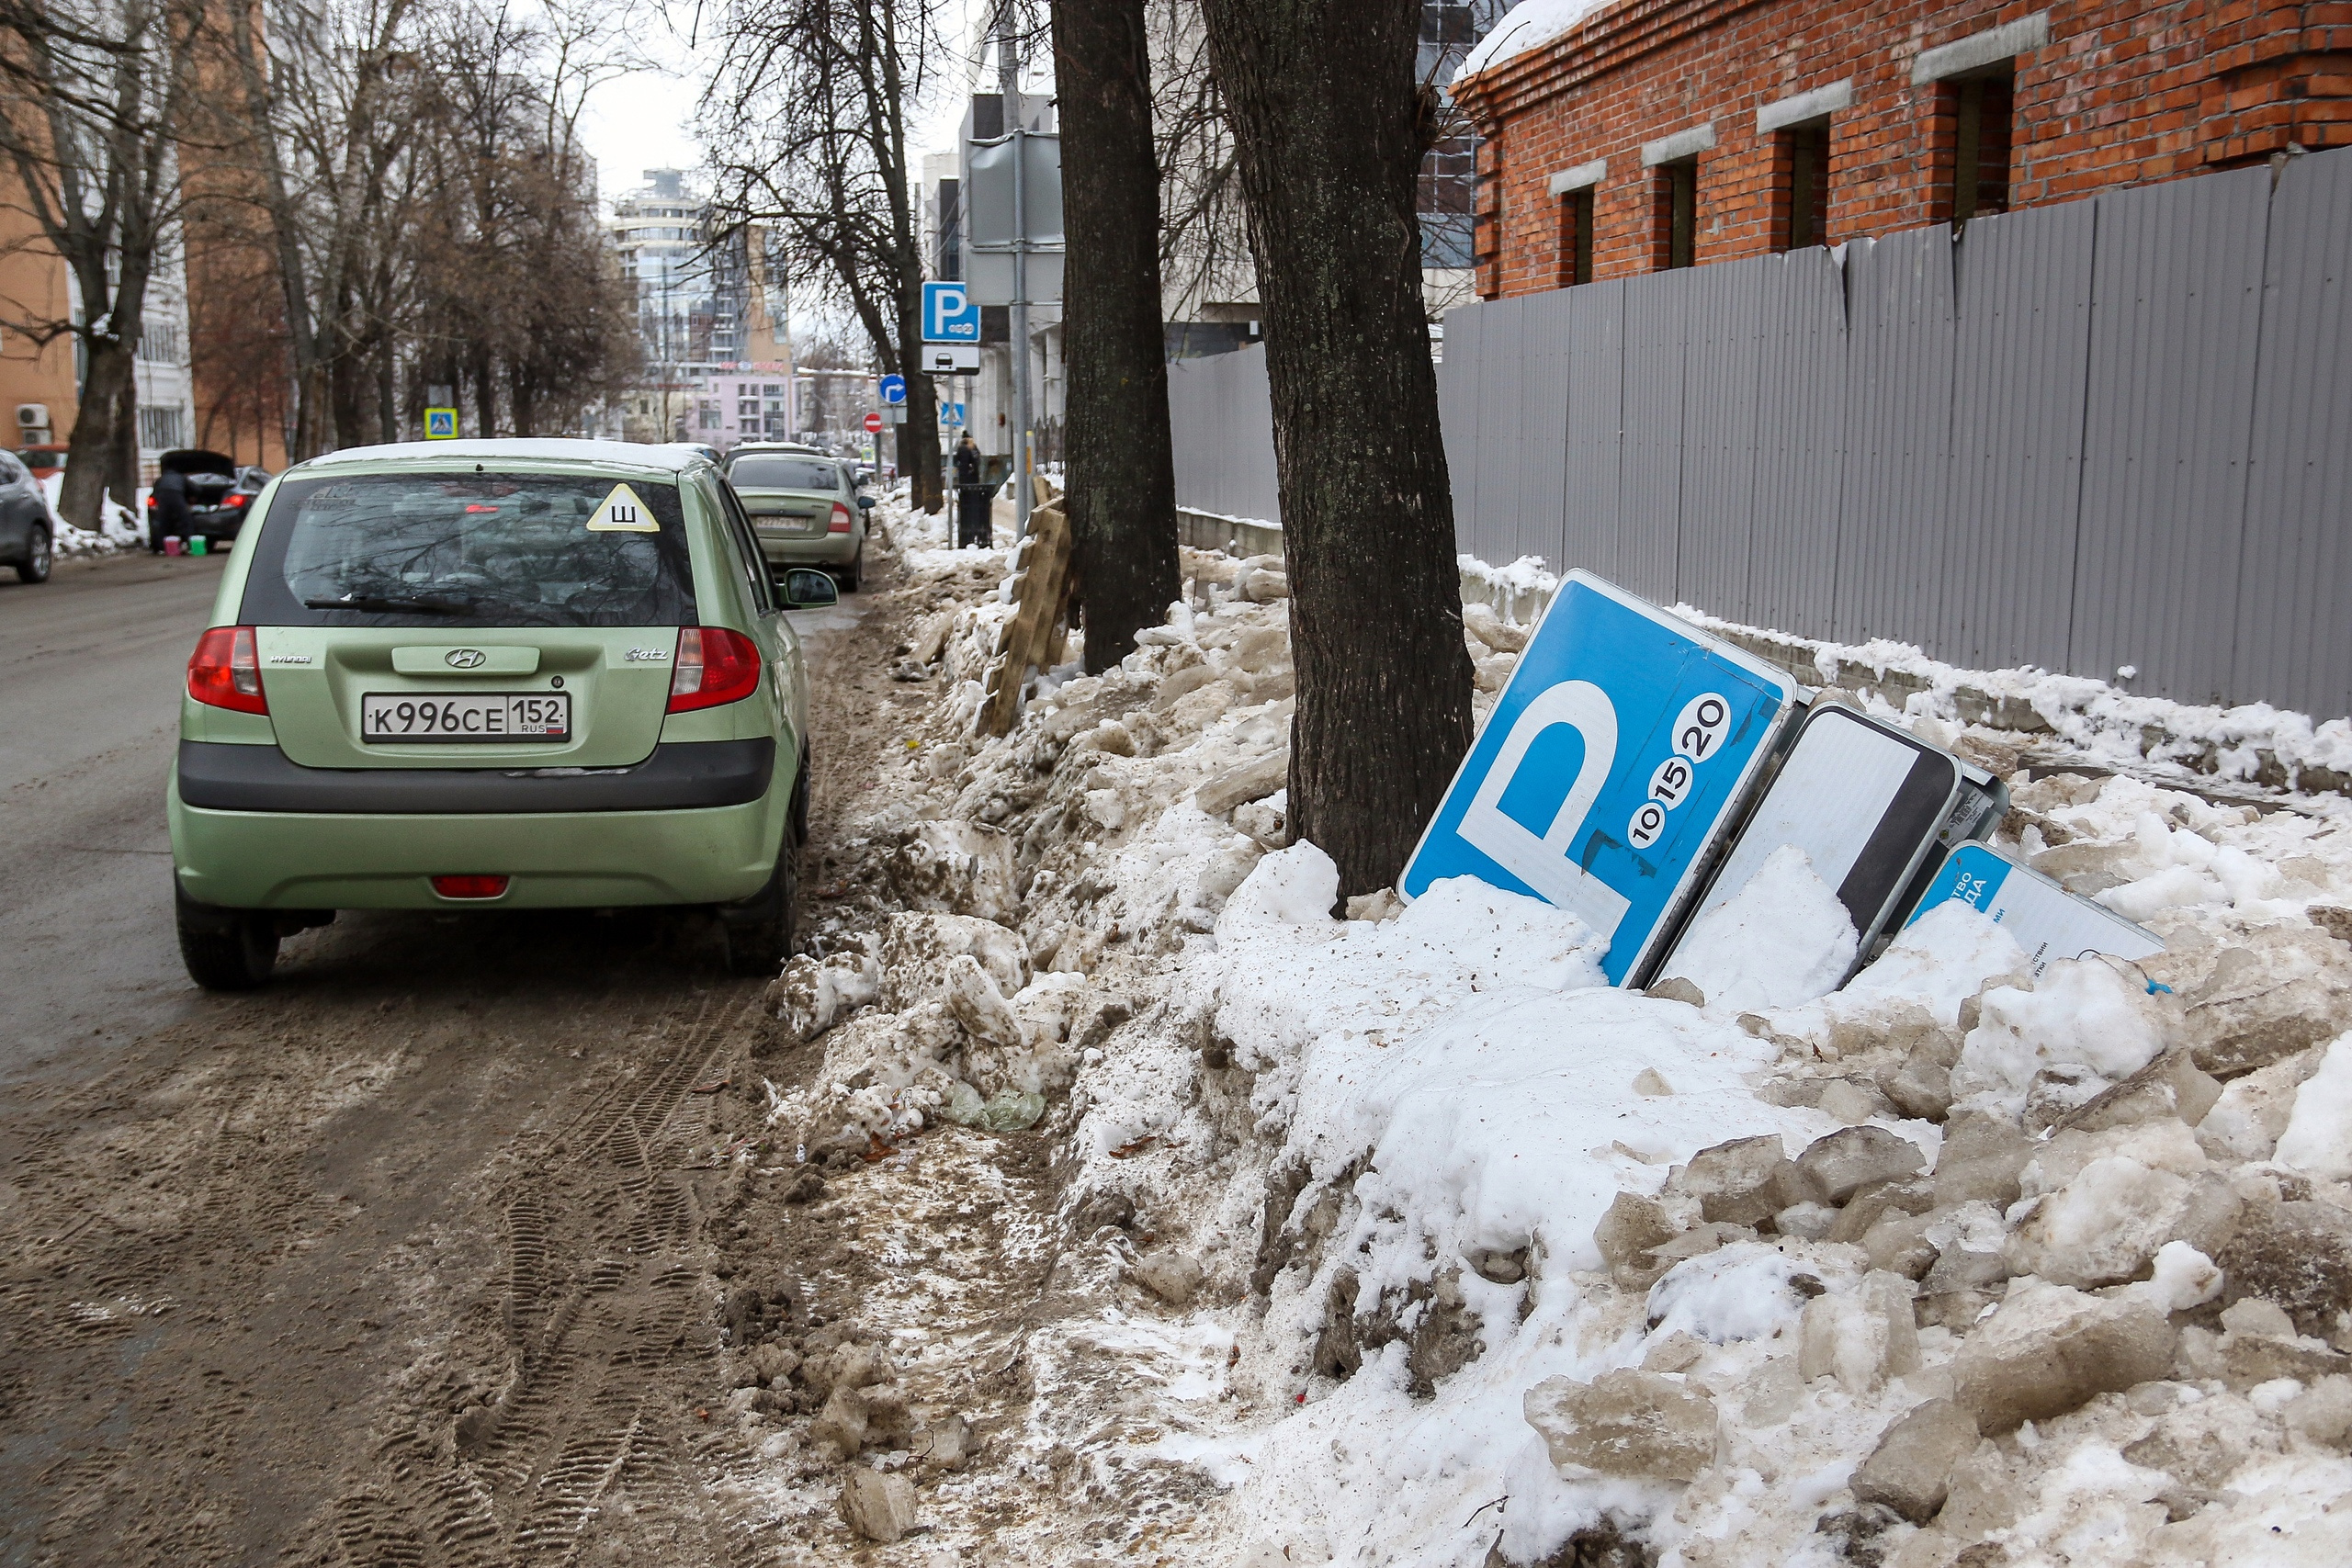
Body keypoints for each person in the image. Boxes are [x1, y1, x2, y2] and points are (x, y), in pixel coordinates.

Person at [952, 432, 991, 550]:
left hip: (964, 484)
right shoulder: (969, 450)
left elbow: (957, 462)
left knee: (966, 510)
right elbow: (976, 460)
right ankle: (975, 536)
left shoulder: (959, 449)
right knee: (973, 508)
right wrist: (973, 449)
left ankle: (967, 538)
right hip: (972, 484)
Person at [150, 465, 190, 554]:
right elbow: (195, 489)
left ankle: (161, 548)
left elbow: (154, 493)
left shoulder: (160, 479)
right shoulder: (181, 477)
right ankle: (187, 543)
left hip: (163, 500)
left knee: (163, 523)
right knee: (185, 520)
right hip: (177, 497)